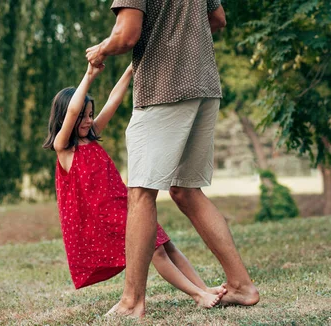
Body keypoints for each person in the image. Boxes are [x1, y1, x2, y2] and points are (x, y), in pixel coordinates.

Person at [85, 0, 259, 317]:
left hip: (163, 91)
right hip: (204, 85)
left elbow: (126, 35)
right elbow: (217, 19)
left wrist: (101, 50)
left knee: (140, 192)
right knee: (186, 190)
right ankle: (241, 285)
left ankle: (132, 301)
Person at [43, 63, 226, 308]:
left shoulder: (92, 134)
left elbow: (113, 101)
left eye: (89, 115)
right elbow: (72, 108)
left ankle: (203, 288)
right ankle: (198, 296)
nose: (88, 120)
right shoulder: (65, 148)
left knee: (167, 245)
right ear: (67, 117)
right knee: (156, 251)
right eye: (82, 116)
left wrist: (132, 68)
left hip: (126, 203)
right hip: (108, 214)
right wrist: (88, 75)